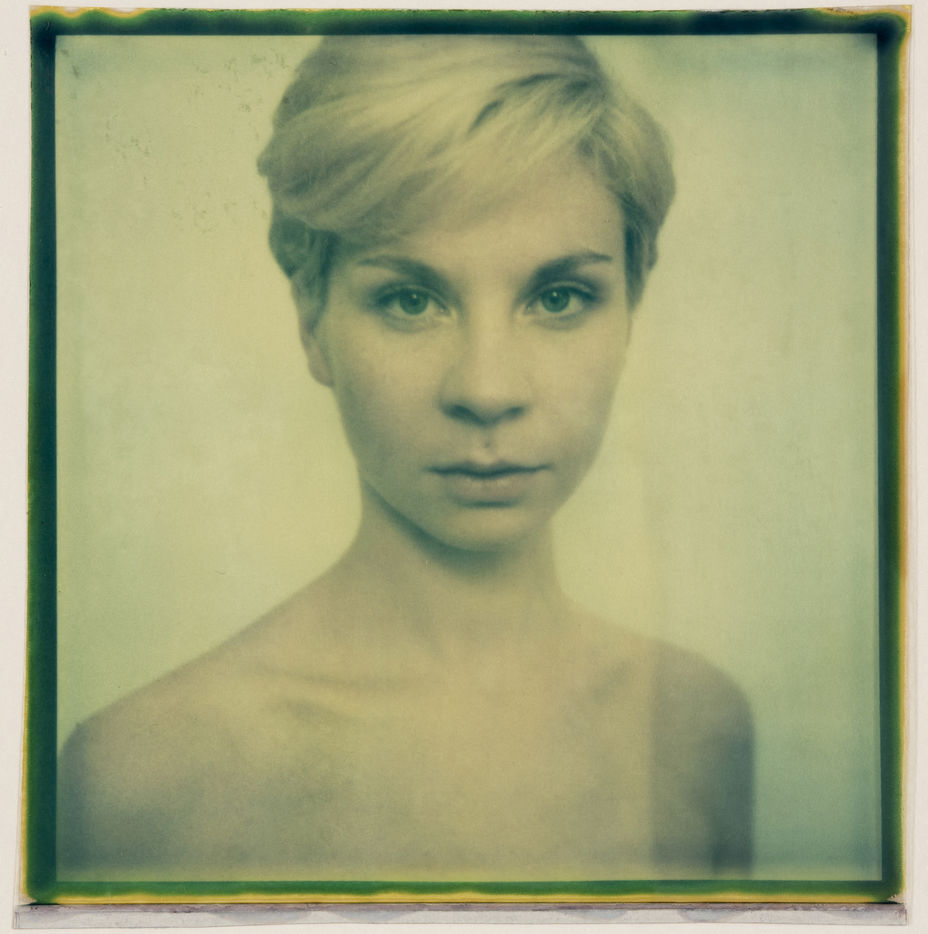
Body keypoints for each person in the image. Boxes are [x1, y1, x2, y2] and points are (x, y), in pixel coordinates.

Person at [57, 34, 753, 884]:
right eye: (411, 299)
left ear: (630, 309)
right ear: (312, 320)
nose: (488, 388)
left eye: (559, 297)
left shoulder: (699, 728)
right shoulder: (142, 778)